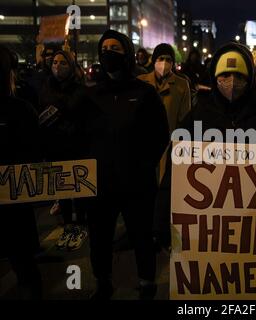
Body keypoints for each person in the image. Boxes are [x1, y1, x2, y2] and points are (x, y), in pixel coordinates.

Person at [153, 42, 256, 249]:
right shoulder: (198, 117)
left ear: (250, 78)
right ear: (215, 77)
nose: (231, 82)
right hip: (210, 230)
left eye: (240, 76)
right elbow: (175, 173)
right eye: (224, 75)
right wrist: (162, 222)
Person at [82, 30, 170, 300]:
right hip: (100, 182)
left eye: (115, 48)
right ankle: (103, 281)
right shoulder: (91, 94)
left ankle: (146, 282)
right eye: (105, 47)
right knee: (100, 237)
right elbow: (79, 134)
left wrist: (143, 165)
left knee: (142, 236)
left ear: (127, 54)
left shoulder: (144, 93)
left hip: (137, 182)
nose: (109, 52)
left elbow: (160, 134)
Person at [0, 45, 42, 299]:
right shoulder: (21, 110)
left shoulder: (21, 110)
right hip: (18, 204)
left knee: (24, 265)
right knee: (24, 265)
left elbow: (35, 154)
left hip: (16, 203)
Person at [37, 50, 88, 251]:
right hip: (55, 146)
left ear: (72, 66)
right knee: (63, 188)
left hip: (76, 146)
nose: (58, 66)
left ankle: (82, 221)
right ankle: (68, 224)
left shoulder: (80, 89)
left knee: (79, 188)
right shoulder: (46, 87)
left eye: (63, 63)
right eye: (55, 62)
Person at [138, 43, 191, 180]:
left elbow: (185, 119)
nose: (164, 63)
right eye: (161, 58)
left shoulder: (181, 84)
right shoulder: (141, 82)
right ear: (154, 60)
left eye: (168, 59)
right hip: (143, 144)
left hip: (170, 146)